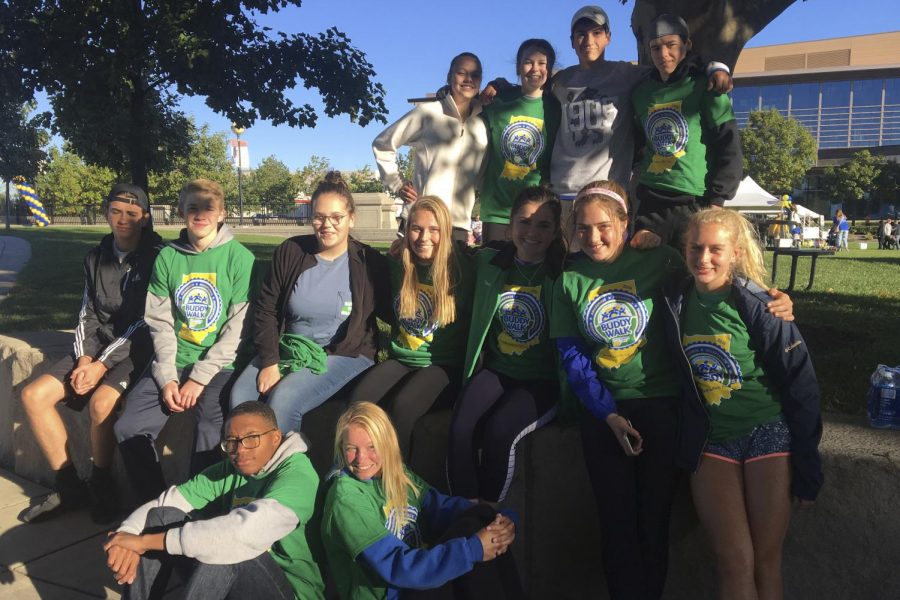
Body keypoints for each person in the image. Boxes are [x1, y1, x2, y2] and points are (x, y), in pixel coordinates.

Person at [549, 181, 794, 599]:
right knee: (616, 520)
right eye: (584, 229)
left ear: (626, 224)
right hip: (604, 411)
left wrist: (773, 300)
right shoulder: (569, 281)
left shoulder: (660, 260)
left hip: (663, 405)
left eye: (604, 226)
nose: (594, 237)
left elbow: (714, 280)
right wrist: (606, 413)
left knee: (653, 520)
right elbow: (574, 358)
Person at [663, 208, 822, 599]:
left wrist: (807, 463)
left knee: (766, 561)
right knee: (734, 560)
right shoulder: (673, 298)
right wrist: (646, 238)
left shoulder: (761, 305)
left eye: (715, 249)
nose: (703, 258)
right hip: (711, 440)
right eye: (695, 248)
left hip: (767, 433)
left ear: (735, 252)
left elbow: (801, 385)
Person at [19, 184, 161, 524]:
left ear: (144, 217)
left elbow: (146, 320)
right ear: (107, 213)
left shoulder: (159, 258)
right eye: (115, 211)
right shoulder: (96, 257)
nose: (122, 219)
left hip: (137, 349)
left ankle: (102, 483)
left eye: (131, 213)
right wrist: (85, 359)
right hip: (96, 349)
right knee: (33, 396)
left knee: (101, 405)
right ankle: (69, 486)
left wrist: (100, 365)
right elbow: (87, 311)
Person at [114, 179, 255, 503]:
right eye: (193, 208)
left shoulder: (239, 259)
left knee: (209, 431)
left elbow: (237, 330)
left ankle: (197, 510)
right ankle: (157, 508)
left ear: (222, 213)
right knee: (129, 427)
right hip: (174, 360)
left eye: (208, 208)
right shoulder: (167, 258)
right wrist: (167, 378)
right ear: (181, 212)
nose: (200, 214)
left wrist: (198, 378)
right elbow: (160, 322)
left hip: (220, 364)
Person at [104, 401, 324, 600]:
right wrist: (127, 536)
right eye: (232, 441)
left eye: (251, 438)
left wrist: (144, 543)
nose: (240, 450)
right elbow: (167, 503)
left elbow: (239, 534)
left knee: (226, 551)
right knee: (161, 517)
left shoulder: (298, 475)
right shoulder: (230, 469)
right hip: (232, 584)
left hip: (287, 591)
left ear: (275, 437)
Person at [230, 171, 390, 434]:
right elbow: (267, 309)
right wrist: (270, 361)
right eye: (319, 217)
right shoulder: (292, 252)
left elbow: (394, 307)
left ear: (351, 218)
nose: (327, 225)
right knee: (242, 401)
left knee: (283, 401)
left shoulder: (368, 262)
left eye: (337, 217)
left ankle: (291, 473)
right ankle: (253, 471)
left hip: (344, 353)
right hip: (290, 348)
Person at [320, 401, 522, 599]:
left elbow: (441, 507)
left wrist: (503, 520)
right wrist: (472, 550)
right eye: (351, 448)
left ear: (387, 444)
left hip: (418, 578)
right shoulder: (346, 499)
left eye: (371, 446)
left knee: (482, 520)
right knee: (473, 547)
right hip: (396, 591)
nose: (361, 458)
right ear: (340, 447)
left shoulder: (394, 473)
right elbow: (398, 567)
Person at [447, 185, 566, 504]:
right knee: (460, 428)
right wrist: (401, 244)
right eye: (524, 222)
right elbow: (443, 256)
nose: (531, 232)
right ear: (511, 224)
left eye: (543, 225)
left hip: (542, 381)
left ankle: (489, 516)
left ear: (555, 232)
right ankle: (464, 514)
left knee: (500, 432)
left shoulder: (565, 273)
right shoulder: (489, 261)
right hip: (498, 372)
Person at [346, 197, 473, 460]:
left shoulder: (463, 268)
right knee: (359, 401)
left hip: (442, 364)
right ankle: (359, 471)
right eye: (416, 228)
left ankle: (401, 482)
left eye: (434, 229)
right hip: (402, 358)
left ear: (446, 232)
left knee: (403, 407)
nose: (424, 237)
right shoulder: (397, 264)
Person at [630, 14, 742, 249]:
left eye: (671, 45)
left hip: (695, 200)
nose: (663, 54)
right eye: (656, 48)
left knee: (692, 273)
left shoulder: (705, 85)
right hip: (652, 200)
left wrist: (718, 199)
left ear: (686, 45)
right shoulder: (640, 92)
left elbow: (728, 144)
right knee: (647, 270)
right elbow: (639, 144)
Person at [373, 52, 489, 242]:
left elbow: (482, 175)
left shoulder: (482, 125)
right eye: (461, 73)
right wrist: (397, 184)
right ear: (450, 77)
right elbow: (382, 145)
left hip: (458, 225)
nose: (468, 79)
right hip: (423, 221)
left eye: (475, 75)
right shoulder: (427, 114)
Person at [478, 39, 561, 244]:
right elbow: (464, 110)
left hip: (535, 212)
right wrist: (446, 91)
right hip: (498, 210)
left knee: (528, 273)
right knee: (494, 272)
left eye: (542, 63)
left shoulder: (557, 108)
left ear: (549, 68)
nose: (535, 69)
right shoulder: (498, 100)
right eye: (528, 62)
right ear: (517, 66)